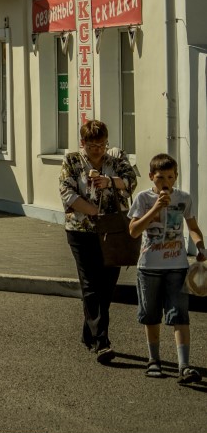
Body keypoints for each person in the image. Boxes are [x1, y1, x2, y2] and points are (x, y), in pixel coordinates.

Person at [59, 119, 138, 363]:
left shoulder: (115, 158)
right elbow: (67, 193)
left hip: (113, 231)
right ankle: (102, 341)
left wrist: (109, 181)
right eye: (93, 145)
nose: (99, 150)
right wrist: (94, 211)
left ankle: (89, 332)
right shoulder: (72, 161)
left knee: (107, 285)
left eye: (102, 144)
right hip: (81, 231)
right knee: (90, 283)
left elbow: (131, 181)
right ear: (83, 143)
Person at [127, 153, 206, 382]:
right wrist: (155, 209)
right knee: (151, 315)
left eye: (170, 177)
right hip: (149, 266)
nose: (166, 182)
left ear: (176, 177)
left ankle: (184, 366)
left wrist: (200, 245)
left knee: (180, 315)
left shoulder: (184, 198)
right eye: (161, 177)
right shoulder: (143, 198)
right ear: (152, 177)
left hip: (177, 266)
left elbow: (192, 227)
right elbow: (133, 231)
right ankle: (154, 360)